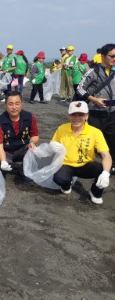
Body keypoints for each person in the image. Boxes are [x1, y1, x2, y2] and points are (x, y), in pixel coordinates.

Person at [51, 101, 112, 204]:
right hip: (66, 164)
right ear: (68, 116)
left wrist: (106, 173)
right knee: (59, 178)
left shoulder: (95, 132)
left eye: (81, 114)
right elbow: (53, 144)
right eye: (73, 114)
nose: (77, 118)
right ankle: (67, 184)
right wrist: (52, 146)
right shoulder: (62, 129)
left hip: (86, 165)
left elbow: (106, 155)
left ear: (87, 115)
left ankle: (95, 192)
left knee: (104, 169)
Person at [76, 43, 115, 175]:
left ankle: (110, 167)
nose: (114, 58)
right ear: (103, 56)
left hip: (112, 114)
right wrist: (94, 99)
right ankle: (86, 168)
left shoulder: (114, 72)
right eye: (112, 56)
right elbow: (80, 89)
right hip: (95, 113)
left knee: (112, 141)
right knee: (91, 142)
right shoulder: (93, 72)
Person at [0, 91, 39, 181]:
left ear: (21, 104)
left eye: (17, 104)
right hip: (5, 150)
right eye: (10, 104)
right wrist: (3, 160)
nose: (14, 107)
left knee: (35, 151)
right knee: (0, 171)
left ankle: (23, 171)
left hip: (21, 148)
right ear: (6, 105)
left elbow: (35, 136)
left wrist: (32, 142)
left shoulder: (29, 117)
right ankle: (4, 164)